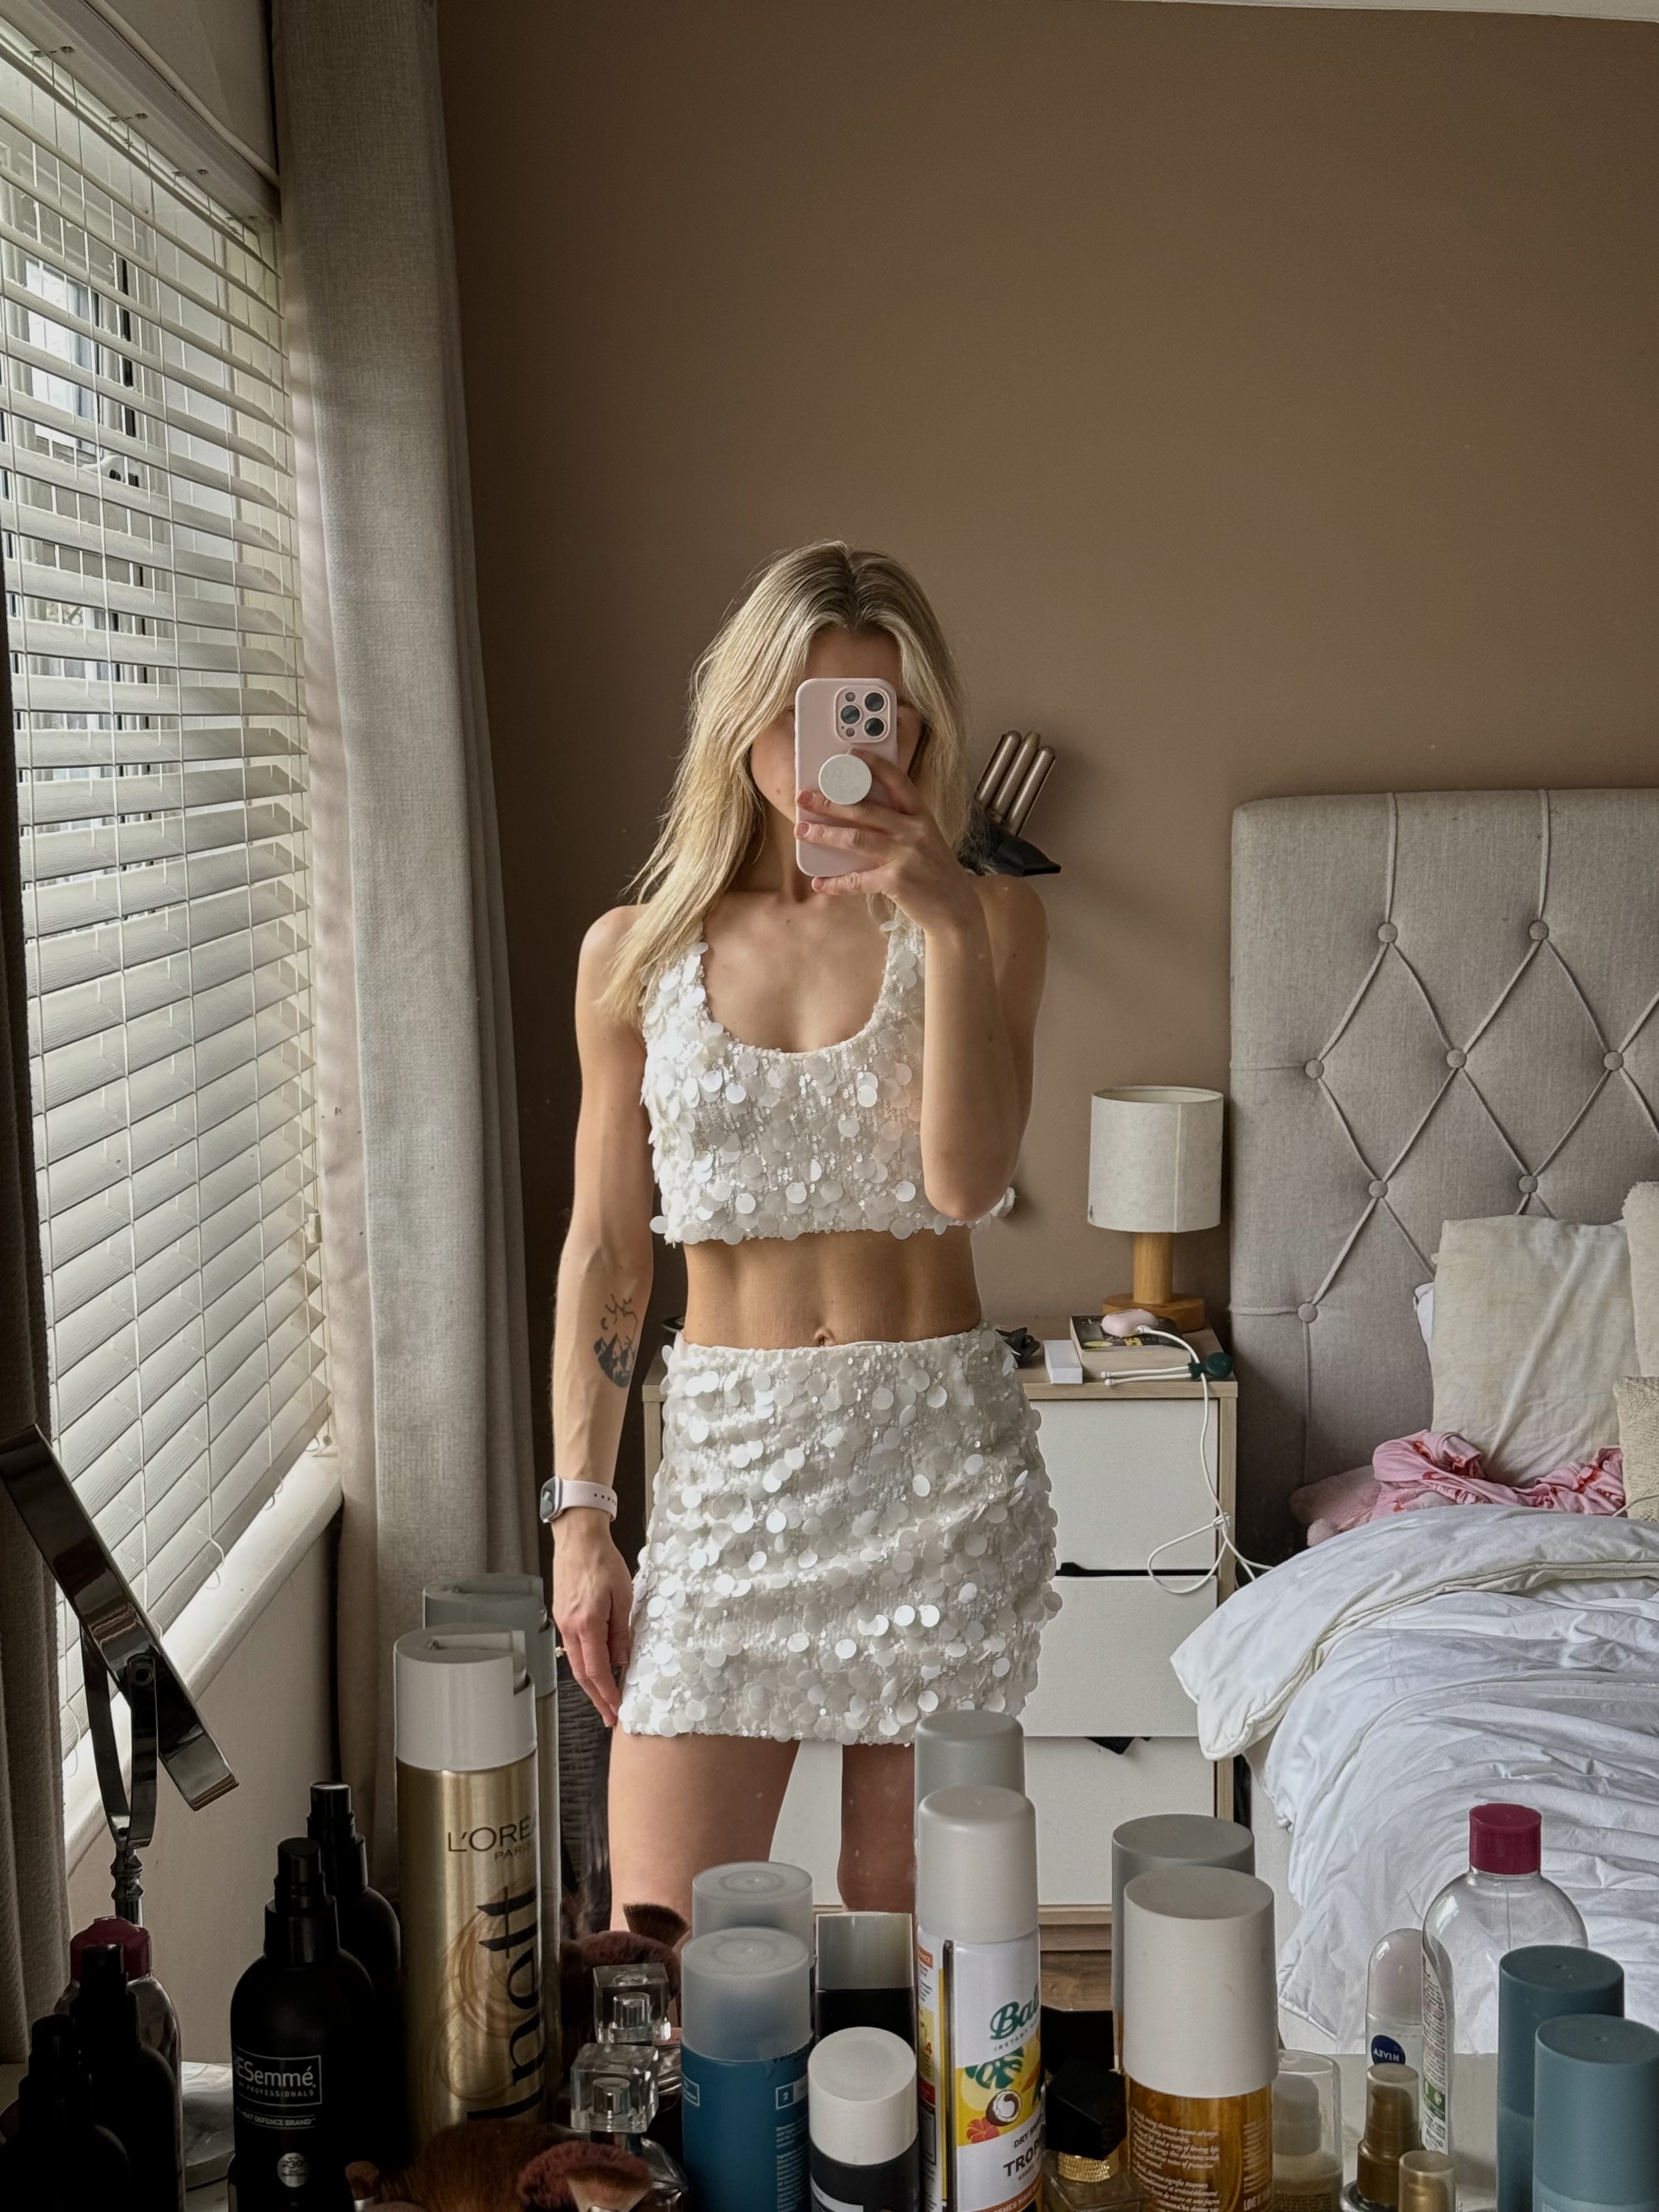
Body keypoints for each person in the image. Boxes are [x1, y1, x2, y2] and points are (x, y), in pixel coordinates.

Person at [550, 540, 1057, 1926]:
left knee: (919, 1934)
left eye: (872, 715)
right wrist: (581, 1519)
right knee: (665, 1942)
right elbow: (608, 1253)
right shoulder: (633, 953)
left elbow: (965, 1183)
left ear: (918, 730)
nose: (831, 750)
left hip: (936, 1480)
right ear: (743, 719)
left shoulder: (993, 920)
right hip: (731, 1480)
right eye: (800, 710)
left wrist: (946, 929)